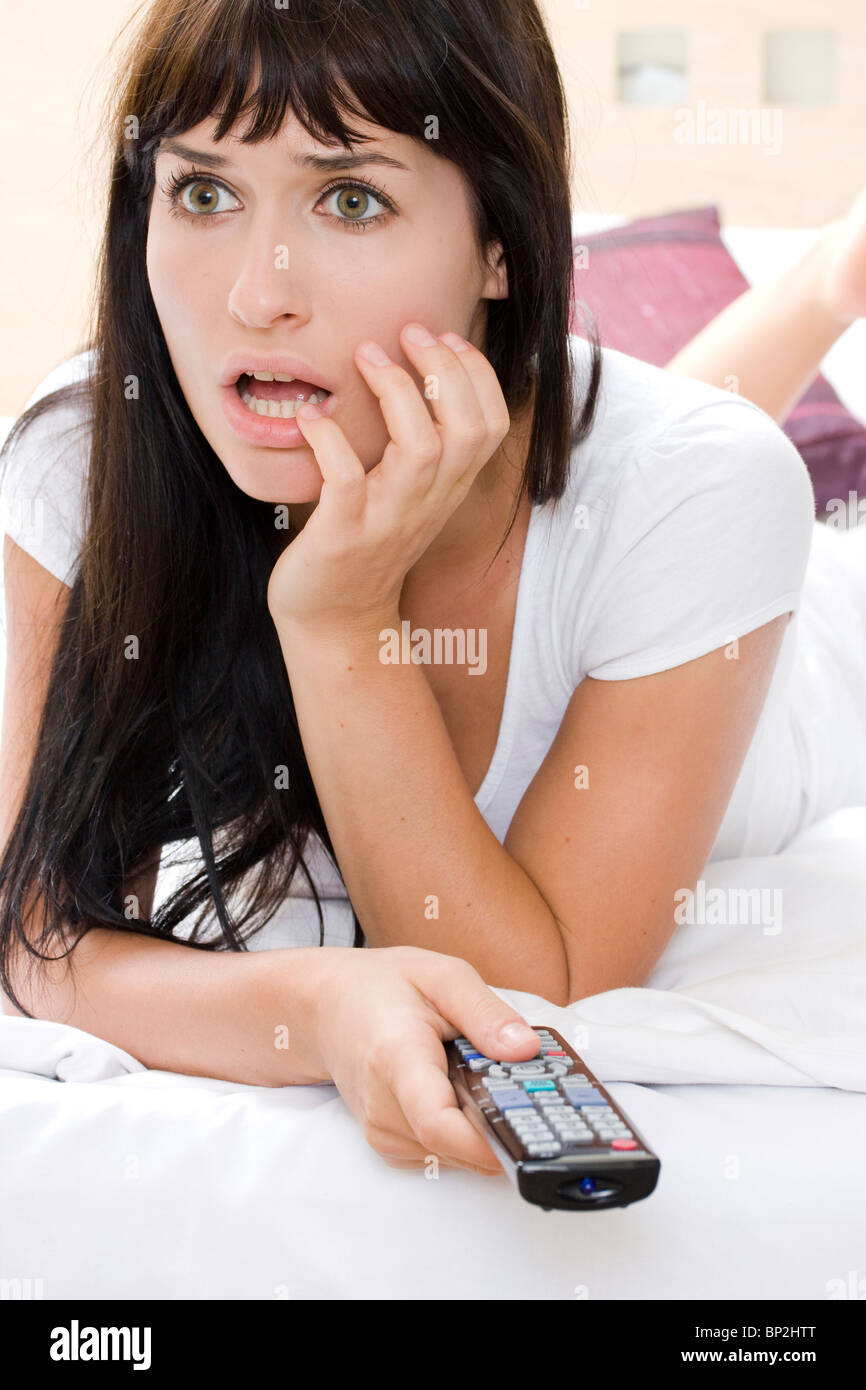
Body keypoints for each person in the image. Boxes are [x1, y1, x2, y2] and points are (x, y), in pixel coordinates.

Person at [0, 0, 864, 1179]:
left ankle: (827, 277)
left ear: (502, 244)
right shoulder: (77, 458)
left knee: (691, 464)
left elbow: (535, 984)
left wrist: (340, 618)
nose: (259, 295)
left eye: (349, 198)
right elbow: (39, 933)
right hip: (605, 464)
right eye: (204, 191)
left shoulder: (697, 500)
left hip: (799, 649)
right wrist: (317, 1003)